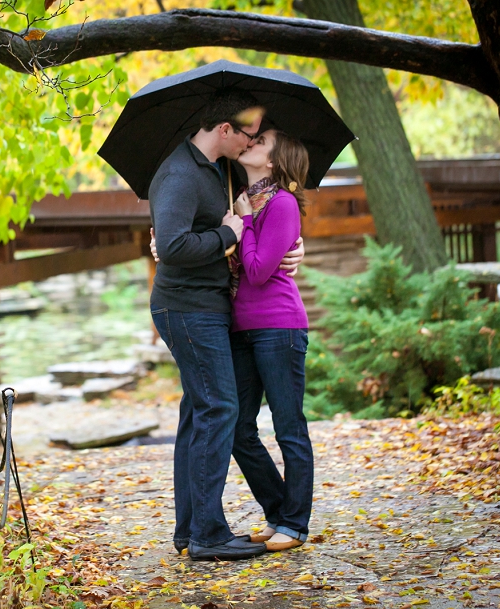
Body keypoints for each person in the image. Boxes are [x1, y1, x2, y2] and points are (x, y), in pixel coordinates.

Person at [149, 91, 304, 561]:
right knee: (219, 409)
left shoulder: (220, 169)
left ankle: (190, 530)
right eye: (247, 133)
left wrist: (293, 248)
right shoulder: (178, 171)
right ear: (224, 129)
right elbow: (173, 245)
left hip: (211, 306)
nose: (251, 140)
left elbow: (269, 212)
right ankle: (208, 534)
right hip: (188, 308)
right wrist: (227, 235)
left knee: (200, 412)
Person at [227, 129, 313, 552]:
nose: (250, 142)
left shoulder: (281, 204)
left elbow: (259, 271)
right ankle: (279, 512)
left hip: (280, 326)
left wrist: (243, 223)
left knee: (288, 427)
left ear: (274, 162)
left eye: (260, 141)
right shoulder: (241, 196)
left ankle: (295, 525)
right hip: (242, 330)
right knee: (239, 428)